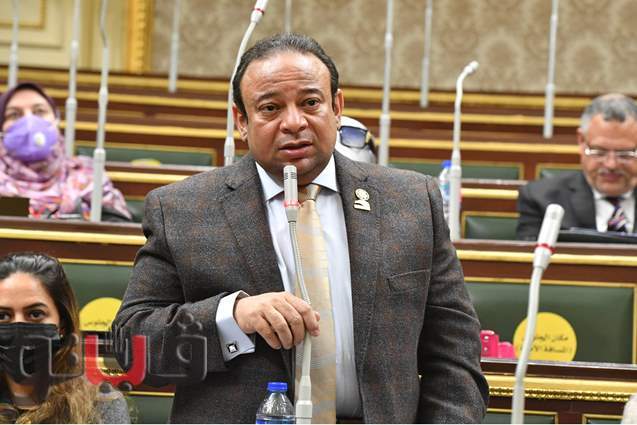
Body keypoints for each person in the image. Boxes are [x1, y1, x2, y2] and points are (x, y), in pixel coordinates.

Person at [113, 33, 488, 423]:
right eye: (270, 108)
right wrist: (232, 316)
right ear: (242, 121)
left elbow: (455, 355)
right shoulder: (183, 210)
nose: (293, 123)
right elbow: (132, 346)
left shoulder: (410, 202)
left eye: (310, 103)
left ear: (336, 107)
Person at [0, 252, 130, 423]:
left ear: (62, 323)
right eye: (3, 316)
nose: (19, 327)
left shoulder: (102, 404)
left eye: (35, 314)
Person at [0, 82, 131, 221]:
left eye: (39, 111)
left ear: (56, 120)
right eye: (14, 114)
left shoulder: (88, 174)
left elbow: (118, 225)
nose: (29, 121)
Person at [517, 94, 637, 240]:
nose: (611, 164)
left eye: (625, 154)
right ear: (581, 141)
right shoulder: (541, 199)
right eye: (599, 151)